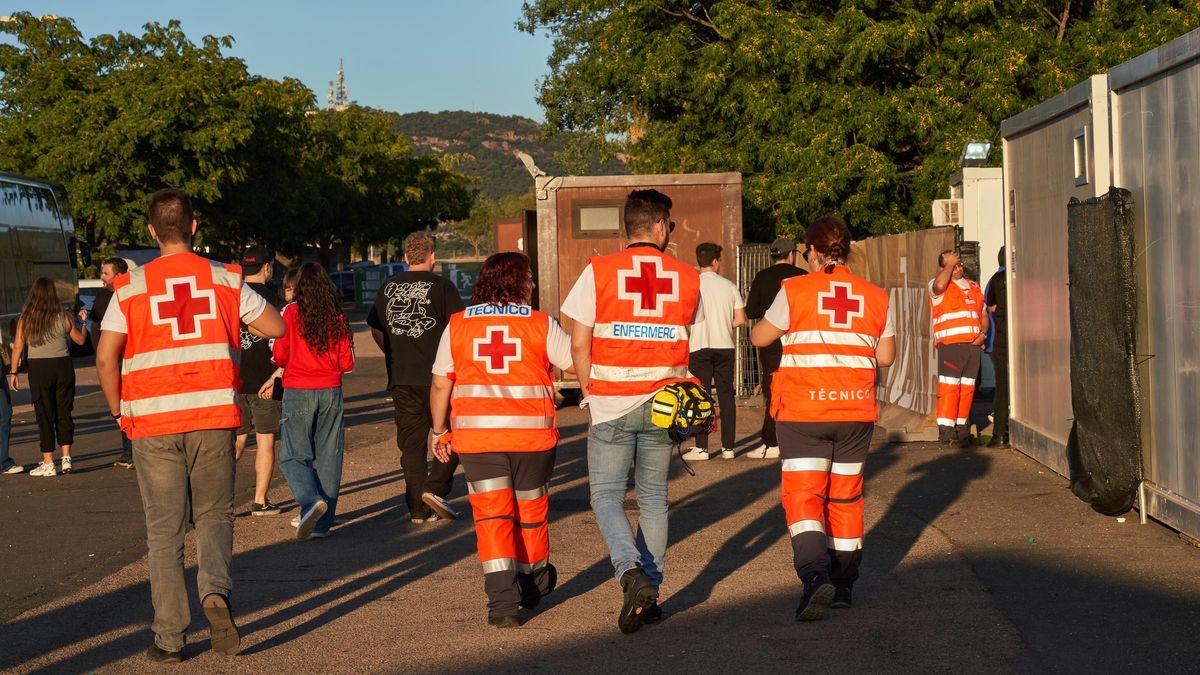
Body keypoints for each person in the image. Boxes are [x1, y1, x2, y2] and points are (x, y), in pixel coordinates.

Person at [95, 188, 285, 663]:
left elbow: (104, 357)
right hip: (213, 418)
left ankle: (170, 638)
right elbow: (276, 328)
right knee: (215, 516)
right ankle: (215, 594)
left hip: (153, 424)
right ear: (195, 227)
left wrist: (120, 410)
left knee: (164, 532)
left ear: (152, 232)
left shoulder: (131, 287)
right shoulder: (223, 278)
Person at [562, 188, 702, 634]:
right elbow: (688, 345)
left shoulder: (598, 270)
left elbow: (578, 342)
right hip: (664, 405)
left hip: (610, 404)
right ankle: (652, 591)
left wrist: (588, 390)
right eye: (670, 226)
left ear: (629, 226)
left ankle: (629, 573)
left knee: (605, 496)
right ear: (660, 225)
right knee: (654, 500)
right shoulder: (686, 276)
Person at [751, 215, 895, 621]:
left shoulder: (794, 290)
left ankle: (815, 578)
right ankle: (845, 584)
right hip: (855, 413)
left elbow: (760, 336)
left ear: (812, 252)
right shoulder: (875, 295)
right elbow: (885, 356)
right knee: (846, 498)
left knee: (804, 498)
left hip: (804, 413)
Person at [429, 252, 573, 627]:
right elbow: (576, 361)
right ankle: (535, 577)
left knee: (493, 519)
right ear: (520, 282)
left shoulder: (458, 324)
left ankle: (502, 607)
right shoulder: (541, 323)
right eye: (530, 277)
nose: (534, 285)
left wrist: (440, 430)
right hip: (533, 440)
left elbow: (442, 381)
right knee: (531, 513)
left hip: (478, 441)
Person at [368, 231, 463, 523]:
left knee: (411, 445)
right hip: (441, 379)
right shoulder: (444, 287)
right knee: (450, 433)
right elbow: (459, 331)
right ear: (432, 255)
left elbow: (377, 329)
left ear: (406, 258)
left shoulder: (387, 287)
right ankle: (436, 487)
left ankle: (416, 509)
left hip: (402, 377)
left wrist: (394, 350)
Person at [273, 263, 355, 541]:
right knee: (329, 458)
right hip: (331, 390)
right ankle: (322, 524)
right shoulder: (336, 316)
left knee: (293, 456)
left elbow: (279, 354)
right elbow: (346, 361)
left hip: (298, 389)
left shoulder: (291, 313)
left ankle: (309, 503)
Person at [9, 278, 88, 476]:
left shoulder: (27, 318)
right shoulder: (64, 315)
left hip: (39, 368)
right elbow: (80, 340)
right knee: (64, 411)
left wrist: (13, 372)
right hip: (63, 365)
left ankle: (48, 462)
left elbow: (18, 346)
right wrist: (84, 322)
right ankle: (67, 459)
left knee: (44, 413)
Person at [682, 242, 746, 461]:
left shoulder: (692, 285)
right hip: (725, 347)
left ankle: (702, 447)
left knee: (701, 397)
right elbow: (740, 319)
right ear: (716, 261)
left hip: (698, 346)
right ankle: (729, 447)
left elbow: (683, 318)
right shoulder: (729, 286)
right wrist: (724, 324)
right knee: (726, 396)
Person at [234, 245, 286, 516]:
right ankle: (259, 500)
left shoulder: (233, 297)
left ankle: (221, 501)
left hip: (235, 380)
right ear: (267, 267)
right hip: (267, 381)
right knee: (265, 441)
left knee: (236, 442)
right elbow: (284, 341)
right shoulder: (276, 302)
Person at [744, 236, 806, 459]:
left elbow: (751, 311)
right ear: (791, 255)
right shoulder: (803, 277)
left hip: (771, 344)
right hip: (799, 343)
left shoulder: (762, 277)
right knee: (799, 391)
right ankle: (798, 438)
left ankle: (772, 442)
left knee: (773, 392)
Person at [929, 249, 988, 446]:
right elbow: (938, 285)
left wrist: (982, 335)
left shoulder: (973, 286)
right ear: (943, 267)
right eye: (952, 265)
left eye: (959, 264)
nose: (957, 268)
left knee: (968, 389)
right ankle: (946, 432)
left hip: (972, 347)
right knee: (949, 388)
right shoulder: (938, 285)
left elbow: (983, 314)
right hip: (951, 346)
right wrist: (948, 265)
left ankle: (962, 430)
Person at [90, 257, 136, 469]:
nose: (102, 278)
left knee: (131, 404)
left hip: (129, 357)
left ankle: (137, 450)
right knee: (118, 405)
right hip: (110, 358)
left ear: (119, 276)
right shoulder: (101, 296)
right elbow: (96, 324)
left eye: (106, 274)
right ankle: (127, 451)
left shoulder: (130, 293)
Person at [985, 246, 1009, 448]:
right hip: (1020, 339)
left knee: (1002, 387)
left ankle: (999, 435)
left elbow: (989, 306)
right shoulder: (1020, 278)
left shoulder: (995, 280)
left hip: (998, 340)